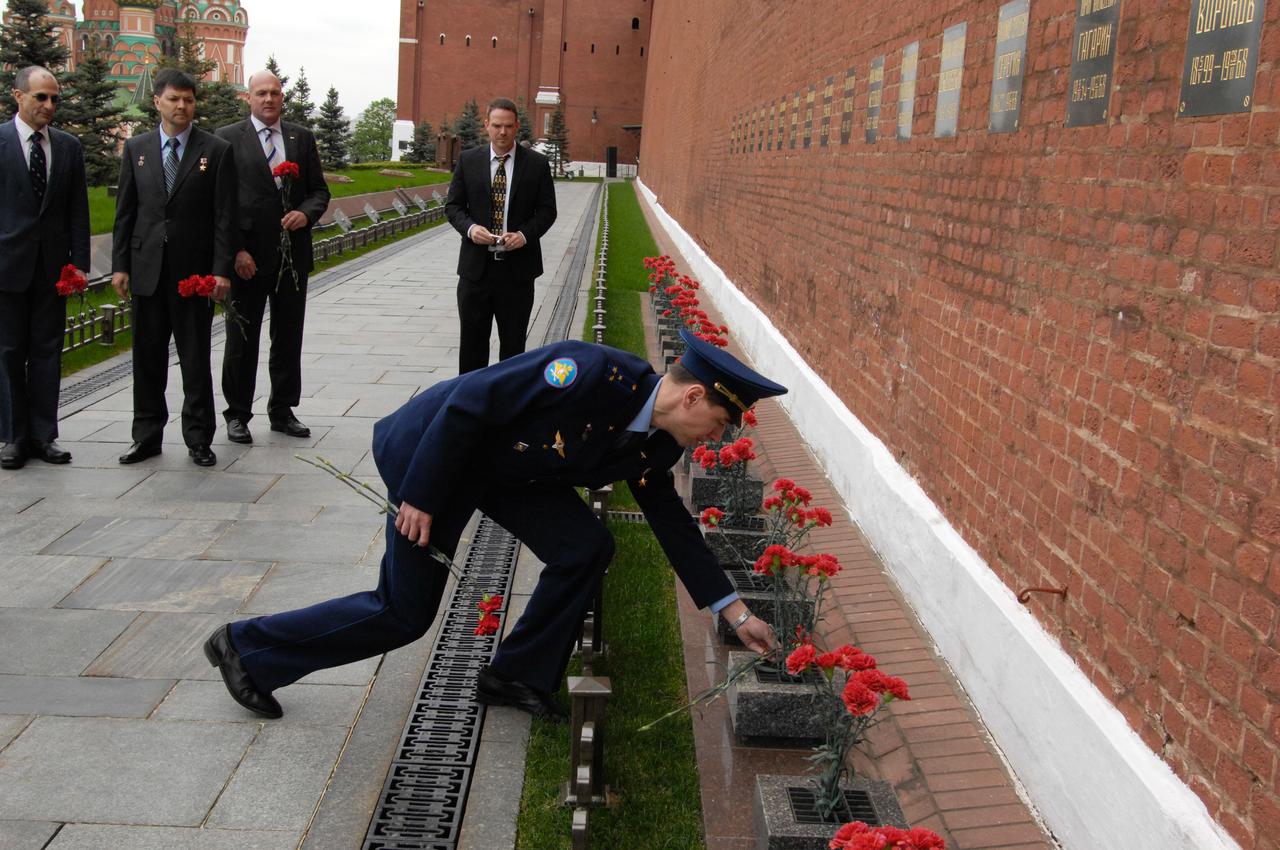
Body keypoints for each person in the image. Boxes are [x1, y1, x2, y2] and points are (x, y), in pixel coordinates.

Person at [205, 329, 785, 719]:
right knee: (403, 612)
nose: (718, 437)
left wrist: (733, 611)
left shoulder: (659, 445)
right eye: (720, 421)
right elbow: (469, 405)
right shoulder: (589, 373)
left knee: (585, 545)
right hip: (433, 456)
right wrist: (422, 496)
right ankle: (247, 647)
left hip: (507, 474)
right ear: (694, 398)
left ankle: (517, 674)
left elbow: (672, 523)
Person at [111, 69, 237, 468]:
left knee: (195, 358)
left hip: (193, 275)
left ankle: (199, 437)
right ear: (157, 102)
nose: (181, 106)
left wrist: (221, 270)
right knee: (147, 357)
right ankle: (146, 435)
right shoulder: (137, 149)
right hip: (147, 269)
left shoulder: (215, 150)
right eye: (173, 99)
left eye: (188, 99)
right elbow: (126, 213)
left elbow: (224, 216)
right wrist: (120, 266)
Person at [216, 70, 330, 444]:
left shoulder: (300, 138)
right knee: (242, 338)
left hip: (291, 258)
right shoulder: (228, 139)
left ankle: (282, 410)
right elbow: (222, 205)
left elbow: (318, 191)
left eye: (275, 93)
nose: (269, 99)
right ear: (248, 98)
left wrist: (306, 213)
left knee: (287, 337)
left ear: (283, 98)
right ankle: (237, 414)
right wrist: (236, 251)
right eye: (261, 93)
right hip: (248, 260)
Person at [0, 66, 90, 470]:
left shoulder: (68, 147)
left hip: (52, 271)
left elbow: (77, 211)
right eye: (41, 97)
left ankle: (44, 434)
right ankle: (14, 438)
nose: (49, 106)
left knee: (47, 352)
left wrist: (80, 265)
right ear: (18, 97)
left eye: (54, 98)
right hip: (6, 267)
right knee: (7, 353)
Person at [445, 97, 557, 374]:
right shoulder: (469, 161)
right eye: (496, 125)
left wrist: (524, 234)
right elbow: (453, 206)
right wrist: (471, 229)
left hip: (517, 273)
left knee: (513, 350)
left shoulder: (536, 164)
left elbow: (547, 211)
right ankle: (471, 407)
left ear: (517, 126)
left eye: (508, 126)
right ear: (486, 125)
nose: (502, 132)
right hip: (475, 272)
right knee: (472, 348)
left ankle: (508, 410)